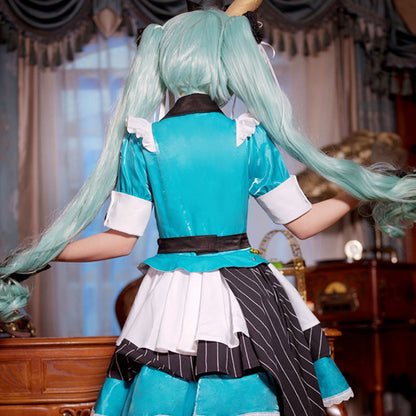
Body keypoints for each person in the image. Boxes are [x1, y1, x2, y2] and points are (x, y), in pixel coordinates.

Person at [1, 4, 416, 416]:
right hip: (251, 294)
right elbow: (304, 224)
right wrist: (359, 192)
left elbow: (118, 242)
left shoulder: (144, 141)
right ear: (229, 62)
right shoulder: (247, 136)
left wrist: (43, 253)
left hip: (171, 295)